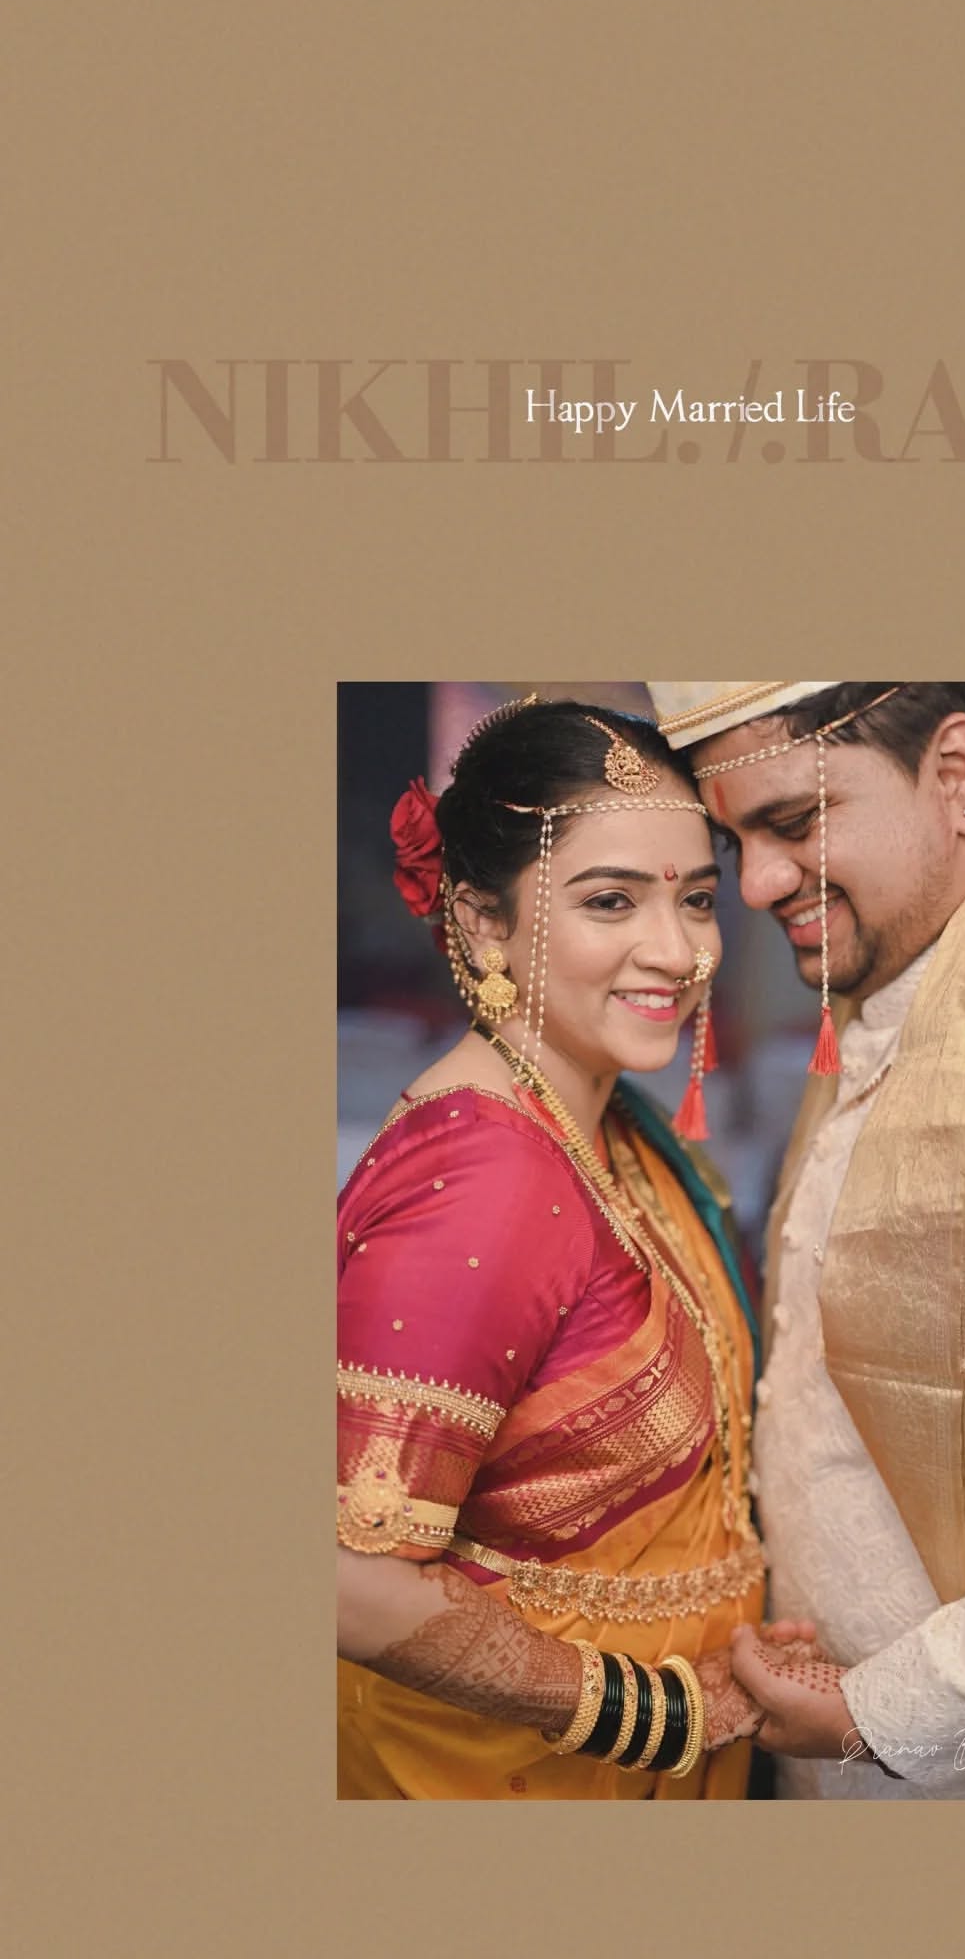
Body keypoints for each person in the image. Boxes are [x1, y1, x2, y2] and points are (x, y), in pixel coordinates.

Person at [646, 683, 965, 1799]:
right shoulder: (885, 1001)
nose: (754, 885)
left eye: (795, 822)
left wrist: (878, 1712)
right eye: (736, 843)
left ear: (957, 776)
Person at [336, 697, 776, 1799]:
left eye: (697, 899)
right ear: (483, 923)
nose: (677, 951)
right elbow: (348, 1579)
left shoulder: (604, 1124)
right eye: (610, 900)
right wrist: (663, 1713)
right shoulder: (486, 1180)